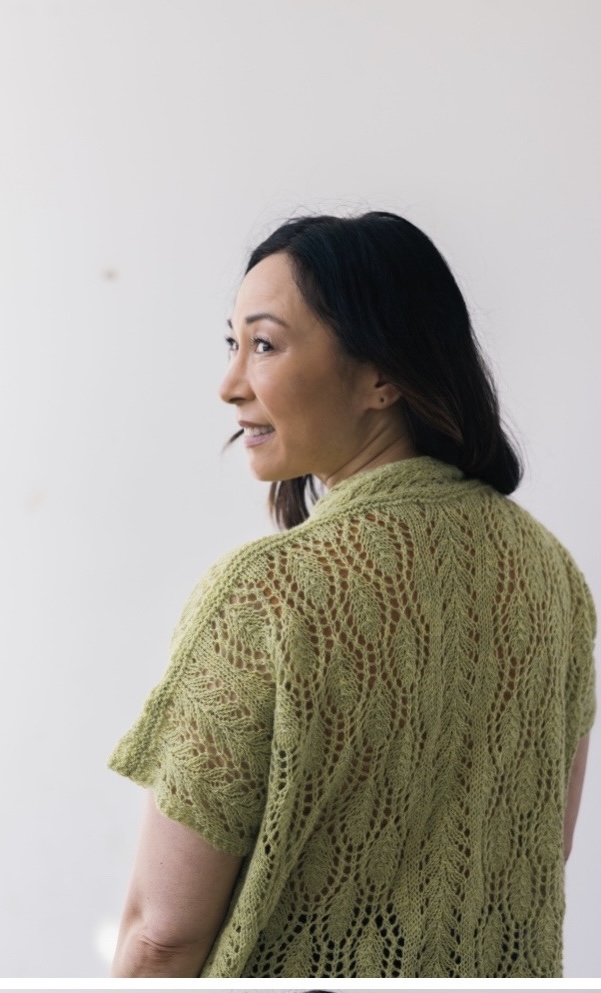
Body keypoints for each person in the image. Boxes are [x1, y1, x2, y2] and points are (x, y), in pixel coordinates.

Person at [108, 212, 593, 977]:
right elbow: (543, 843)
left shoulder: (264, 599)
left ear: (381, 374)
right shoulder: (550, 577)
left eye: (264, 344)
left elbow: (161, 933)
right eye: (231, 344)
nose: (229, 383)